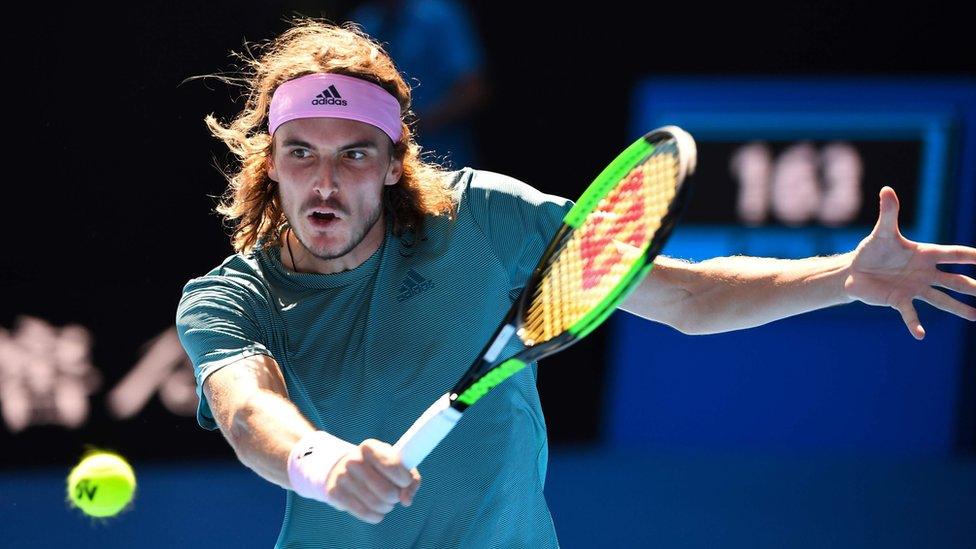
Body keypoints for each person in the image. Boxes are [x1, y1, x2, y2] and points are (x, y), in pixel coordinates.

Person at [175, 18, 976, 549]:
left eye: (354, 152)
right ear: (270, 164)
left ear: (391, 166)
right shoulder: (229, 298)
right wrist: (321, 460)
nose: (325, 179)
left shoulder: (484, 217)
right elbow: (249, 410)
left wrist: (844, 273)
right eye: (301, 152)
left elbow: (686, 295)